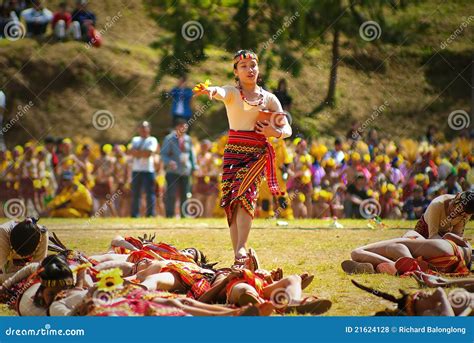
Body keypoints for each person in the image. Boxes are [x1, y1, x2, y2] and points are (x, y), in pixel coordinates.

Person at [194, 49, 292, 267]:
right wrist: (210, 90)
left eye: (253, 65)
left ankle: (241, 248)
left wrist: (273, 133)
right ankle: (238, 252)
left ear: (258, 68)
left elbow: (287, 129)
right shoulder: (231, 92)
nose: (250, 70)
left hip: (256, 155)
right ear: (236, 72)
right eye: (244, 66)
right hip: (232, 153)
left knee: (245, 194)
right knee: (231, 199)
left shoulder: (269, 98)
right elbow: (219, 91)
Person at [341, 232, 471, 276]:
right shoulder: (468, 252)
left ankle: (398, 264)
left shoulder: (467, 246)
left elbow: (448, 235)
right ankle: (373, 267)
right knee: (396, 248)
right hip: (448, 265)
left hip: (445, 248)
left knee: (356, 252)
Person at [161, 119, 196, 218]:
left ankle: (184, 215)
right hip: (172, 171)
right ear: (176, 127)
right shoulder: (169, 139)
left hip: (185, 171)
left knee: (185, 194)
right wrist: (169, 162)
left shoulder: (188, 139)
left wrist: (194, 167)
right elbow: (163, 154)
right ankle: (170, 215)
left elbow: (191, 155)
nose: (183, 128)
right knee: (171, 194)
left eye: (185, 126)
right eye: (181, 126)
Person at [0, 218, 48, 284]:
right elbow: (6, 269)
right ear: (10, 237)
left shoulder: (42, 233)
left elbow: (36, 268)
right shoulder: (2, 233)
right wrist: (27, 273)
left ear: (39, 241)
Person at [129, 121, 159, 218]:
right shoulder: (135, 139)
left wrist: (138, 153)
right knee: (135, 193)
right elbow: (131, 152)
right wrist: (142, 153)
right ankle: (135, 214)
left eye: (145, 127)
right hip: (136, 170)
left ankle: (150, 214)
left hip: (148, 170)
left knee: (150, 193)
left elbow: (148, 154)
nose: (143, 129)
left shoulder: (152, 140)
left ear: (149, 129)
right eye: (141, 127)